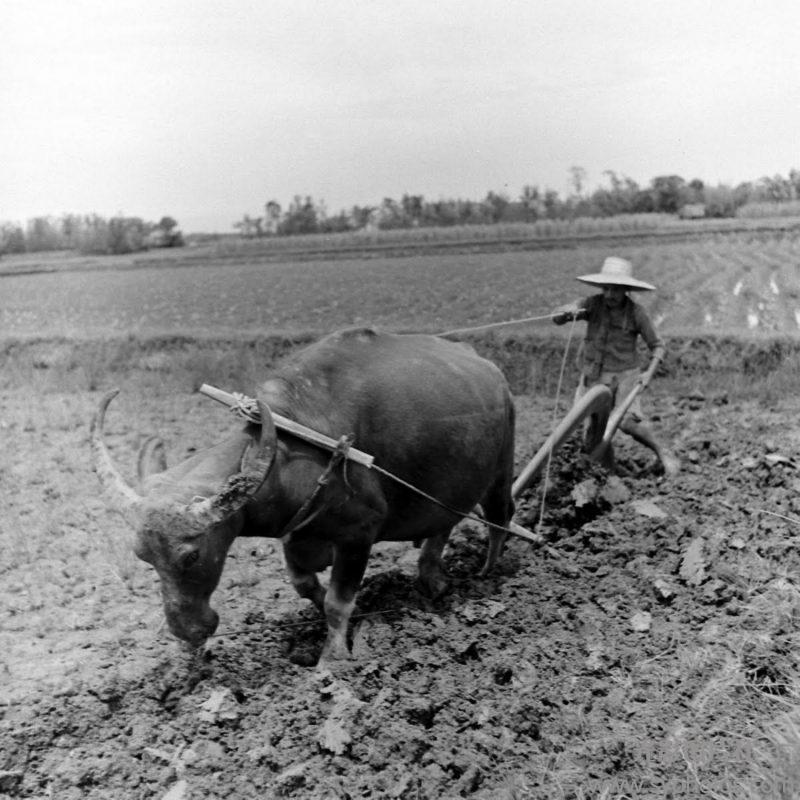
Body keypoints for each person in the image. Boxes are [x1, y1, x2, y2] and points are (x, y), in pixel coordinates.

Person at [552, 256, 679, 477]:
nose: (610, 295)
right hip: (592, 374)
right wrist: (567, 311)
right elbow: (558, 317)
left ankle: (663, 451)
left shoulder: (637, 313)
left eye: (615, 290)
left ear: (626, 290)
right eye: (606, 289)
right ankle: (608, 472)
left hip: (625, 375)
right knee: (592, 434)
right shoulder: (592, 304)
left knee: (628, 423)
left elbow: (658, 346)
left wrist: (648, 374)